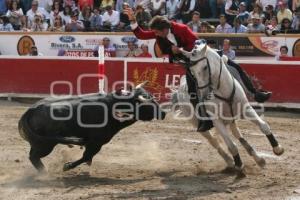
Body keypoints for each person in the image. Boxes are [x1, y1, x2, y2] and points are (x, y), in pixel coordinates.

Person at [124, 10, 272, 131]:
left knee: (235, 66)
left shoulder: (181, 29)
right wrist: (132, 19)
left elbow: (198, 44)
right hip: (189, 64)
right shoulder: (159, 32)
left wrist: (180, 50)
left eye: (157, 32)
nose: (155, 35)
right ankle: (204, 119)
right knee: (193, 90)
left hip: (202, 55)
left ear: (164, 29)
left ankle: (256, 93)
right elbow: (141, 34)